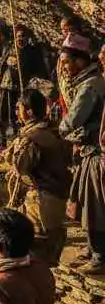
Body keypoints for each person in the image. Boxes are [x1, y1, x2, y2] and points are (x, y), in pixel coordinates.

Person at [8, 87, 72, 266]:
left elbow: (20, 166)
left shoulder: (32, 137)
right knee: (50, 246)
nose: (16, 112)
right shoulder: (54, 130)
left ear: (28, 112)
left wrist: (15, 147)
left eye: (19, 108)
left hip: (41, 201)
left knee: (37, 249)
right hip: (57, 196)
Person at [58, 33, 105, 273]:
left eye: (66, 62)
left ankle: (99, 256)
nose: (64, 67)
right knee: (87, 203)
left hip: (96, 153)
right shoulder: (90, 81)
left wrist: (58, 128)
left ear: (80, 60)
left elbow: (74, 119)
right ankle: (91, 247)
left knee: (94, 205)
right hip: (89, 149)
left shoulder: (90, 86)